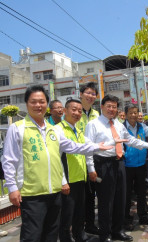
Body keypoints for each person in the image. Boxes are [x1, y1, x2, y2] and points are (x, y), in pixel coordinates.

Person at [1, 85, 112, 242]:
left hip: (54, 193)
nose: (38, 105)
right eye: (34, 102)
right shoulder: (18, 128)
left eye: (42, 101)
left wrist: (96, 147)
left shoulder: (52, 130)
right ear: (26, 104)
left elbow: (73, 146)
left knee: (51, 235)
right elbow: (8, 160)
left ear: (46, 104)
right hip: (32, 194)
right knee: (32, 236)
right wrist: (12, 187)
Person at [85, 94, 148, 242]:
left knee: (120, 200)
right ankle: (105, 234)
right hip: (102, 164)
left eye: (114, 107)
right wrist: (91, 169)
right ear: (101, 107)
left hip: (120, 163)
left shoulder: (119, 124)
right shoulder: (93, 125)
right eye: (108, 106)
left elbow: (131, 140)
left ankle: (117, 231)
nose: (111, 109)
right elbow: (88, 148)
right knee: (105, 202)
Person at [57, 99, 95, 242]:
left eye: (79, 111)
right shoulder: (58, 129)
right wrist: (63, 181)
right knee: (66, 215)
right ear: (65, 111)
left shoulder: (78, 131)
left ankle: (80, 236)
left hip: (80, 178)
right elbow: (56, 159)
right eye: (73, 109)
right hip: (68, 180)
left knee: (79, 212)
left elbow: (89, 148)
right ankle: (66, 239)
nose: (77, 113)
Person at [76, 82, 100, 235]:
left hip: (93, 159)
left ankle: (90, 225)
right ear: (81, 94)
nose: (91, 96)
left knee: (91, 196)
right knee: (78, 198)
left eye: (93, 94)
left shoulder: (97, 114)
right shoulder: (74, 112)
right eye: (88, 93)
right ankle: (77, 229)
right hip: (76, 159)